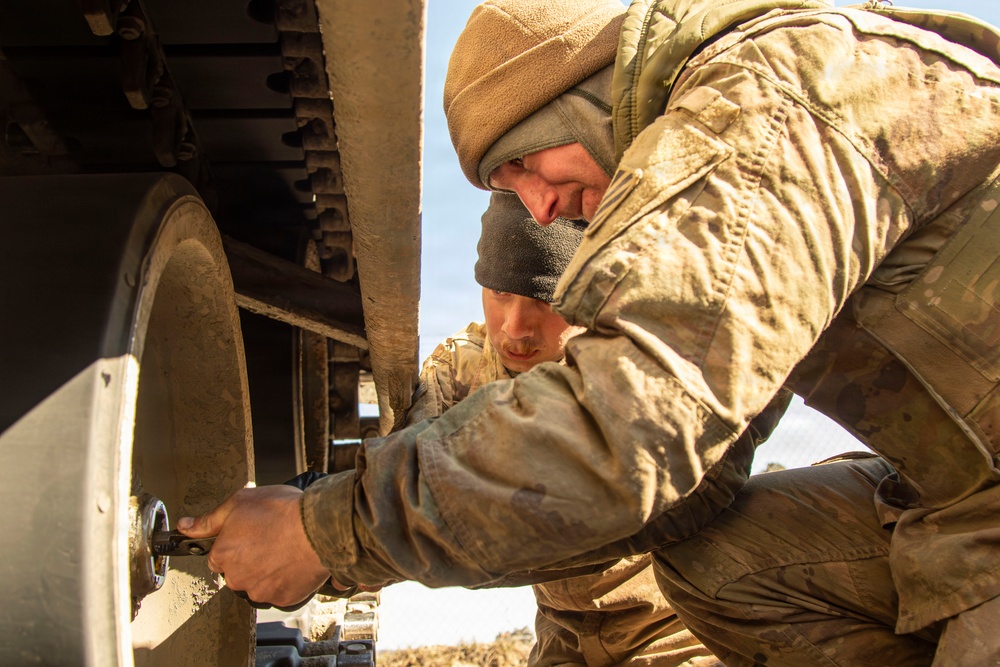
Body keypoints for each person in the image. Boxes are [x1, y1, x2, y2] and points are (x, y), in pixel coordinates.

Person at [178, 0, 1000, 663]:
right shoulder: (736, 138)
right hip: (958, 498)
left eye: (527, 163)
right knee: (724, 562)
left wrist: (329, 530)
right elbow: (683, 511)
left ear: (580, 92)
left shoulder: (764, 101)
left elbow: (639, 426)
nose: (538, 205)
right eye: (508, 185)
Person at [406, 191, 720, 667]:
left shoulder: (634, 367)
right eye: (499, 293)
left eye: (546, 300)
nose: (515, 328)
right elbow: (410, 478)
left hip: (671, 624)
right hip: (562, 625)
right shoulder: (459, 366)